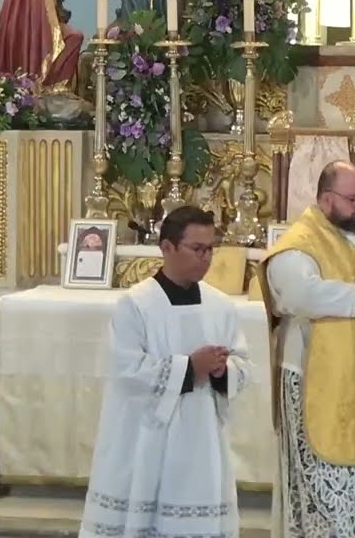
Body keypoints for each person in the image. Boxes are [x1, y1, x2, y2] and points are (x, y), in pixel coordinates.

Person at [79, 206, 253, 538]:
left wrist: (221, 370)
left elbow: (242, 364)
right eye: (197, 249)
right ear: (167, 248)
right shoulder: (137, 305)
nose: (205, 258)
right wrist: (190, 368)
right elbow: (127, 371)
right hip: (147, 439)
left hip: (201, 438)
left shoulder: (221, 305)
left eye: (210, 249)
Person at [257, 161, 355, 538]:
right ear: (327, 200)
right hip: (313, 378)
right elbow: (297, 295)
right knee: (320, 480)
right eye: (354, 198)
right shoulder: (300, 243)